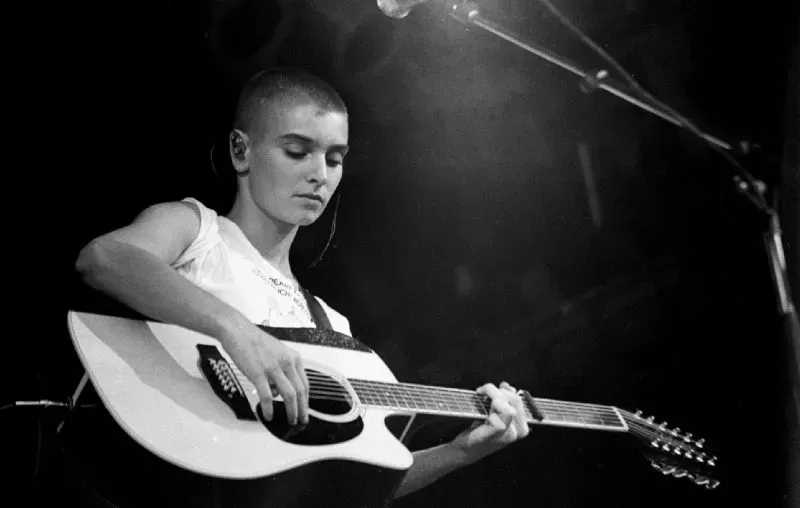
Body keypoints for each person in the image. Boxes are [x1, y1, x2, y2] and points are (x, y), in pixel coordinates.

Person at [74, 67, 529, 504]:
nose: (320, 174)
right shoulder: (198, 231)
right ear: (240, 151)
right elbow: (104, 258)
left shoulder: (332, 326)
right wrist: (238, 331)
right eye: (297, 151)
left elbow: (345, 483)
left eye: (335, 159)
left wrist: (460, 452)